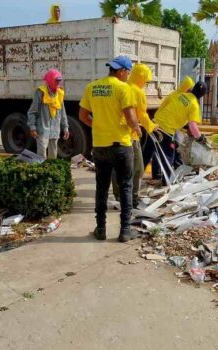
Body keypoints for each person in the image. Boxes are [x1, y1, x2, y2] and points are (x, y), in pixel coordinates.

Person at [79, 55, 142, 243]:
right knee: (125, 187)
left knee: (101, 188)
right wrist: (137, 128)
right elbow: (131, 118)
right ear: (122, 71)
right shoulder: (123, 88)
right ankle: (125, 231)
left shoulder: (93, 87)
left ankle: (100, 229)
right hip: (121, 145)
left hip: (99, 146)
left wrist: (99, 125)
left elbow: (83, 115)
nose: (128, 76)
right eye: (128, 72)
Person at [112, 63, 157, 208]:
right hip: (131, 135)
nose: (146, 83)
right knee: (138, 168)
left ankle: (119, 195)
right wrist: (152, 127)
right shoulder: (137, 92)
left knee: (118, 166)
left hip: (116, 133)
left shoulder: (122, 86)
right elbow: (142, 114)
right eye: (146, 80)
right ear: (141, 77)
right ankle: (133, 197)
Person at [144, 81, 207, 183]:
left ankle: (137, 181)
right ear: (202, 95)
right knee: (168, 155)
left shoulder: (180, 95)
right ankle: (167, 182)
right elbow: (193, 125)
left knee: (149, 153)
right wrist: (199, 137)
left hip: (155, 124)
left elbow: (171, 108)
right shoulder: (194, 105)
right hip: (167, 130)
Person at [27, 68, 69, 159]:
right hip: (42, 129)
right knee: (41, 156)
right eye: (56, 81)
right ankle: (41, 172)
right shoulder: (41, 92)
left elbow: (62, 112)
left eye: (59, 81)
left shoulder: (60, 93)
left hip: (55, 129)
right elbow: (32, 111)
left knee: (53, 155)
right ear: (50, 80)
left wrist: (65, 127)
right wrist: (33, 128)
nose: (58, 83)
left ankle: (51, 172)